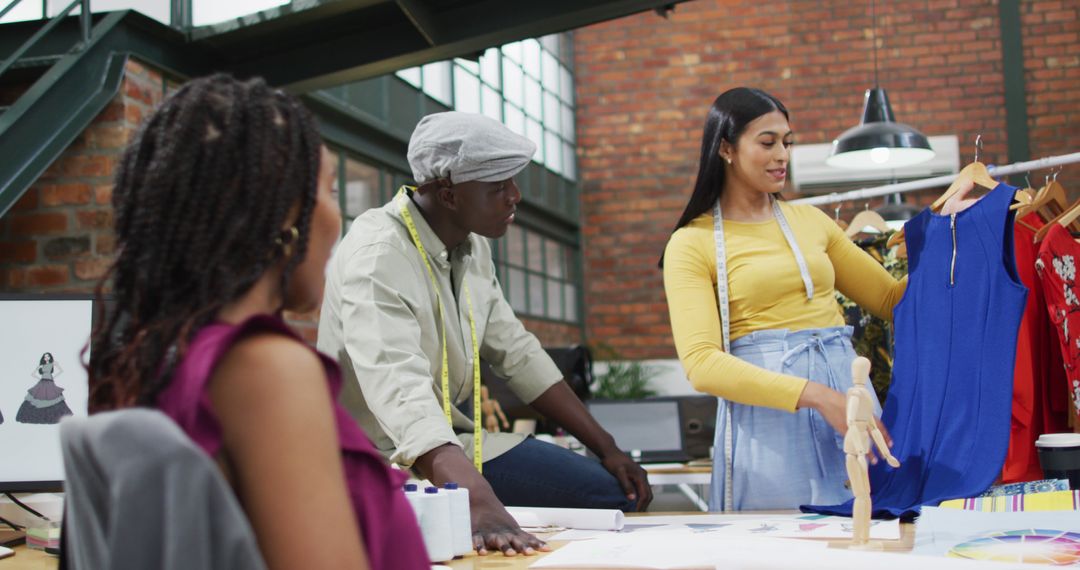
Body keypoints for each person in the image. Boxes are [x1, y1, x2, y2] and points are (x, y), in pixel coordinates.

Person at [86, 74, 428, 570]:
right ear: (284, 214)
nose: (339, 219)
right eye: (331, 191)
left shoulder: (160, 358)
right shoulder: (266, 370)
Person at [318, 111, 652, 557]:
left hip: (450, 440)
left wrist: (609, 449)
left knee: (612, 489)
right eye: (498, 187)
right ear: (449, 193)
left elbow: (517, 353)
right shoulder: (378, 254)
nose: (515, 197)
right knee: (585, 501)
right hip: (384, 449)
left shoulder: (472, 247)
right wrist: (478, 501)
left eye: (513, 182)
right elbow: (399, 387)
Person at [660, 87, 906, 511]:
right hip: (772, 417)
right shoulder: (691, 243)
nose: (782, 156)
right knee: (780, 543)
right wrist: (818, 396)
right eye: (767, 143)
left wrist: (954, 233)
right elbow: (701, 364)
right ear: (726, 149)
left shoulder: (811, 221)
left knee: (873, 533)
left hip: (849, 397)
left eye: (787, 143)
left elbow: (890, 299)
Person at [844, 357, 899, 547]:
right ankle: (857, 539)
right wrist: (859, 450)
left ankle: (864, 538)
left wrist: (886, 454)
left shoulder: (865, 395)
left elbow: (873, 428)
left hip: (861, 448)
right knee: (861, 496)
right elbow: (850, 422)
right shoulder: (854, 395)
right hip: (854, 450)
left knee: (866, 496)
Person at [16, 352, 73, 424]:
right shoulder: (41, 365)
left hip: (49, 381)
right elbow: (33, 374)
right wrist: (40, 378)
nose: (46, 358)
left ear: (50, 357)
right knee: (38, 396)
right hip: (43, 381)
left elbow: (60, 371)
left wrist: (53, 377)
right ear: (43, 358)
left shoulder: (52, 364)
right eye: (45, 357)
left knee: (52, 396)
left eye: (48, 357)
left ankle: (54, 416)